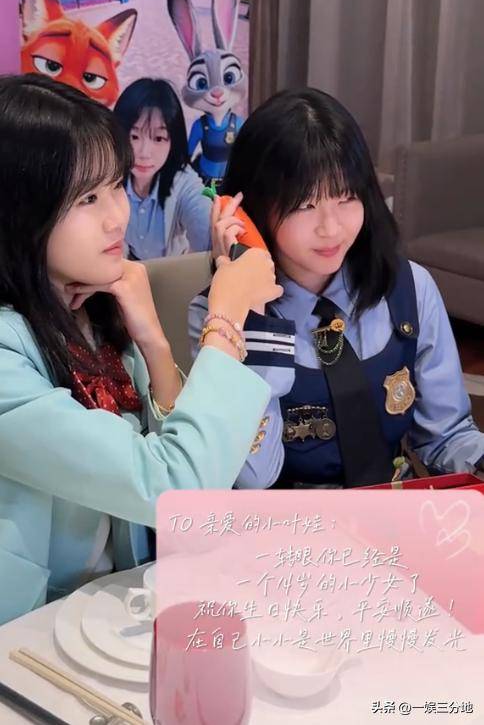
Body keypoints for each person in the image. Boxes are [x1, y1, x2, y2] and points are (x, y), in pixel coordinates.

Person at [0, 74, 281, 623]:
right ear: (20, 212)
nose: (117, 216)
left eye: (116, 186)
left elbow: (191, 491)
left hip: (114, 609)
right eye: (87, 198)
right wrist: (225, 318)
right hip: (27, 633)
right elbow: (177, 488)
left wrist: (152, 339)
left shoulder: (89, 307)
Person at [189, 88, 484, 490]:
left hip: (398, 512)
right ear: (249, 211)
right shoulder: (218, 319)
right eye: (305, 205)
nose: (331, 228)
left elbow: (447, 436)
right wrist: (255, 319)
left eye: (346, 197)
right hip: (288, 525)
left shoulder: (410, 288)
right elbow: (253, 478)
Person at [113, 78, 211, 259]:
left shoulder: (184, 183)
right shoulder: (109, 178)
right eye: (134, 137)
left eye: (158, 138)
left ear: (173, 141)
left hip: (172, 271)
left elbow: (206, 227)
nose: (144, 153)